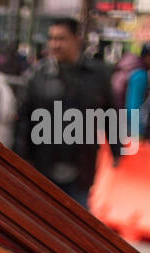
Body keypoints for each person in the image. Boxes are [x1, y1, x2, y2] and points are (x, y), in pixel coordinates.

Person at [13, 17, 119, 209]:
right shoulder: (37, 75)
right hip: (42, 166)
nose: (55, 44)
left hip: (80, 168)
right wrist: (20, 158)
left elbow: (111, 114)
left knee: (75, 229)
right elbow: (23, 121)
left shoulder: (98, 75)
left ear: (77, 39)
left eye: (61, 39)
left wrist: (117, 150)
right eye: (52, 38)